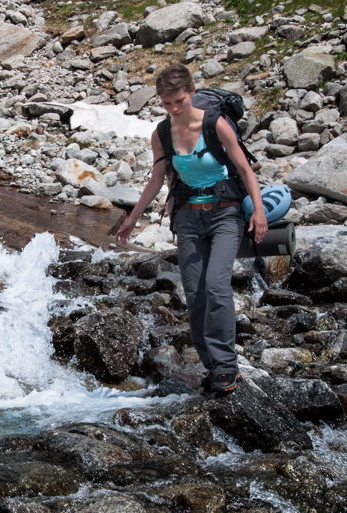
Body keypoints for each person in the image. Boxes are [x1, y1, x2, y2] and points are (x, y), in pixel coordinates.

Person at [116, 64, 268, 393]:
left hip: (226, 214)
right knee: (196, 295)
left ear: (191, 94)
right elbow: (156, 180)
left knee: (216, 285)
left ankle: (228, 367)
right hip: (187, 218)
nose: (173, 109)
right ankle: (213, 368)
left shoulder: (216, 125)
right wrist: (132, 218)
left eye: (179, 101)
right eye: (166, 103)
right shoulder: (161, 133)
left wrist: (258, 211)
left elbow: (245, 169)